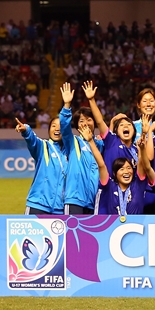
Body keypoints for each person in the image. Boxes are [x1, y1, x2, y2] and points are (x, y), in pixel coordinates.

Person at [59, 83, 102, 215]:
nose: (85, 123)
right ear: (77, 127)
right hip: (74, 200)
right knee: (71, 234)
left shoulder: (100, 145)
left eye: (89, 119)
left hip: (94, 201)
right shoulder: (73, 142)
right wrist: (66, 105)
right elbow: (64, 127)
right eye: (81, 121)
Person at [15, 116, 66, 215]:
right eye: (53, 126)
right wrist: (26, 129)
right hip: (38, 204)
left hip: (60, 209)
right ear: (49, 130)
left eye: (61, 126)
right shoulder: (43, 147)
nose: (57, 129)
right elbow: (32, 139)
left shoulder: (70, 152)